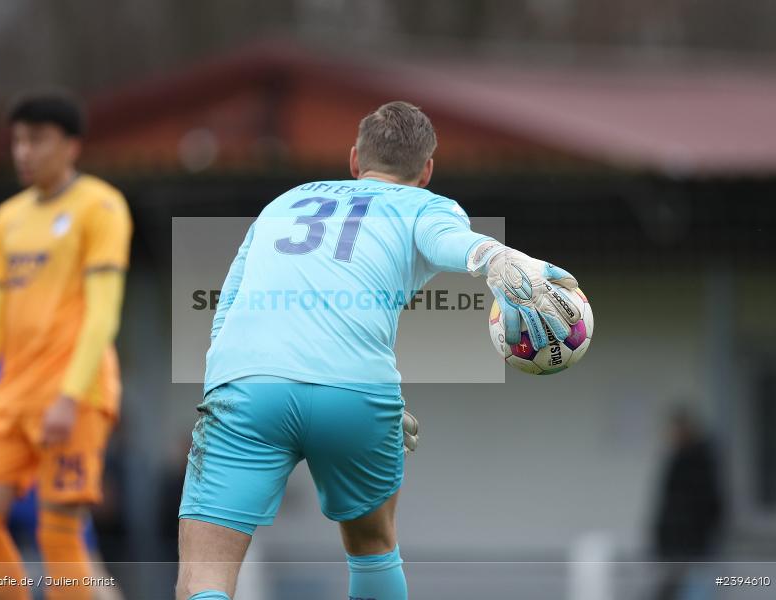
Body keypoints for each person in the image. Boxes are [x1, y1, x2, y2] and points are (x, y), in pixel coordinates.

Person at [175, 101, 582, 600]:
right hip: (358, 395)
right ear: (427, 170)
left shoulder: (285, 202)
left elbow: (227, 309)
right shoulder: (426, 205)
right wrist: (497, 258)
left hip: (244, 388)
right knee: (373, 549)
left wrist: (230, 387)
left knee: (204, 573)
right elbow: (452, 240)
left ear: (353, 160)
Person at [0, 93, 132, 600]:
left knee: (60, 530)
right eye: (18, 140)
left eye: (36, 140)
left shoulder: (100, 207)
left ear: (71, 146)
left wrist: (70, 395)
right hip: (9, 398)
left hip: (72, 394)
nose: (23, 151)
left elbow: (104, 312)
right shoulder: (8, 218)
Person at [651, 407, 725, 600]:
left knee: (694, 587)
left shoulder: (698, 461)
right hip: (677, 542)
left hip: (691, 542)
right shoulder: (679, 458)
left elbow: (709, 503)